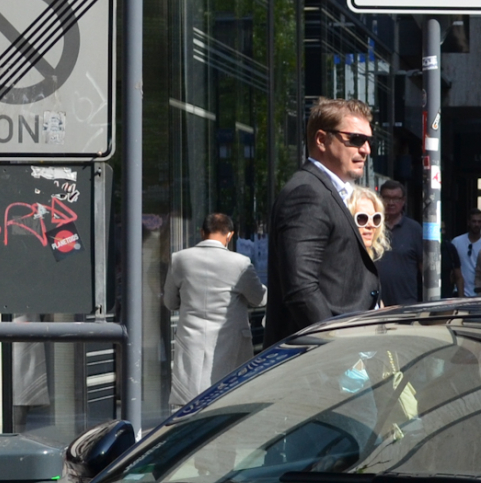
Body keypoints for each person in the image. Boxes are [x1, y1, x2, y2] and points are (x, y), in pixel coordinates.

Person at [266, 97, 380, 342]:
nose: (366, 150)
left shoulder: (329, 192)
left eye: (369, 141)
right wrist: (337, 348)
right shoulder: (307, 193)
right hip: (317, 360)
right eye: (356, 139)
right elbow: (301, 289)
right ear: (321, 140)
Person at [161, 212, 265, 407]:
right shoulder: (240, 263)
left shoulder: (179, 259)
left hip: (191, 344)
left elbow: (170, 302)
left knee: (190, 405)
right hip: (230, 344)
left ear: (202, 232)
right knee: (228, 402)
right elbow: (258, 298)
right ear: (230, 235)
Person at [449, 206, 481, 300]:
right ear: (468, 222)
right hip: (461, 293)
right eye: (474, 221)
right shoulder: (457, 242)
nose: (476, 224)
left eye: (479, 222)